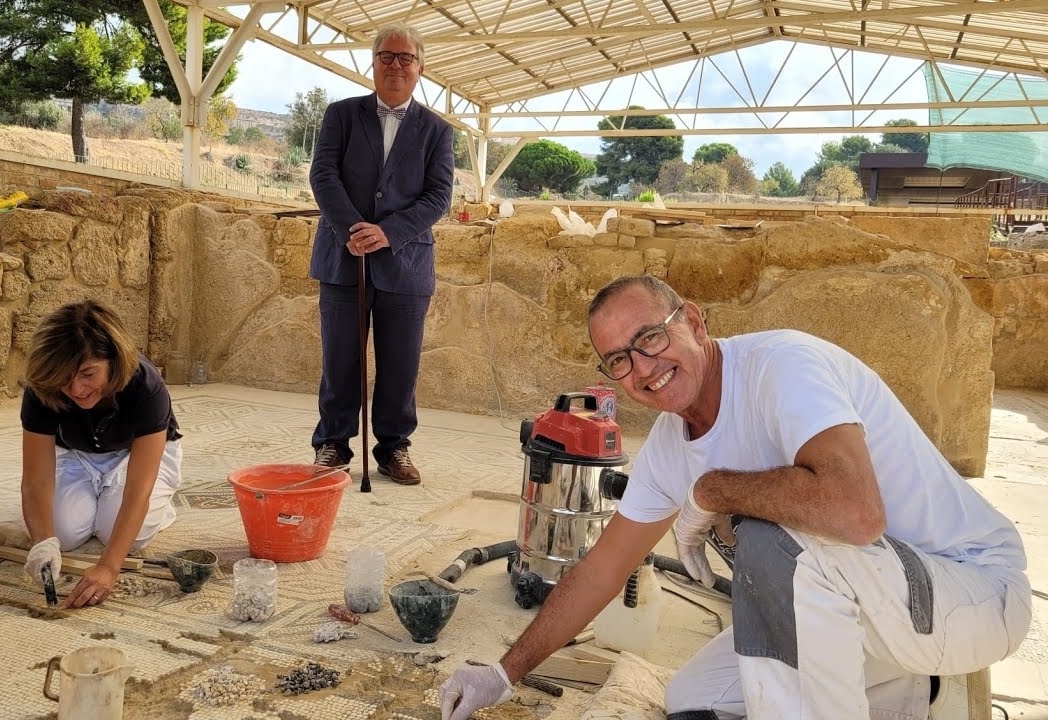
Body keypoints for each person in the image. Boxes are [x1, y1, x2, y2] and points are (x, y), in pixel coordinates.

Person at [440, 275, 1030, 719]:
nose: (644, 368)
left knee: (777, 544)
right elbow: (600, 572)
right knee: (694, 701)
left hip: (969, 592)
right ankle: (909, 690)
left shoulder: (781, 366)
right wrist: (503, 671)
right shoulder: (671, 443)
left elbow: (856, 513)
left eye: (651, 337)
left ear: (693, 322)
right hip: (880, 619)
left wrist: (712, 490)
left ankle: (910, 677)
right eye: (620, 360)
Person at [307, 21, 454, 486]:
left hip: (406, 265)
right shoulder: (340, 115)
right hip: (341, 256)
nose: (395, 65)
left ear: (420, 68)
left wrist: (386, 233)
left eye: (405, 58)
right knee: (340, 358)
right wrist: (354, 229)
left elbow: (438, 197)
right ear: (373, 63)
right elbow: (323, 175)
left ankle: (394, 447)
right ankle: (333, 442)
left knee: (401, 363)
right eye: (387, 56)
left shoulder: (438, 131)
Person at [19, 300, 184, 609]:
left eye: (87, 374)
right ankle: (93, 498)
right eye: (64, 378)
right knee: (62, 536)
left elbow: (138, 489)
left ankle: (162, 506)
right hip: (80, 455)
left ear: (114, 361)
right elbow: (35, 477)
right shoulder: (42, 386)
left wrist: (108, 568)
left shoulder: (146, 385)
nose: (76, 388)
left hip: (136, 456)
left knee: (122, 536)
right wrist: (42, 542)